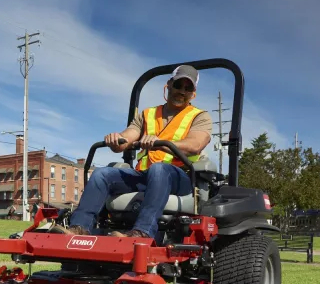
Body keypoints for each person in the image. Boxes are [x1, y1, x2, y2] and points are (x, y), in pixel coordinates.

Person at [61, 65, 213, 239]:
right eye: (178, 85)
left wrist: (161, 143)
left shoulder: (199, 116)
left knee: (160, 169)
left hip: (180, 178)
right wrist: (116, 140)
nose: (182, 91)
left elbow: (195, 144)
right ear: (169, 85)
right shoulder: (147, 114)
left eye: (188, 88)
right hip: (145, 176)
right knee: (102, 174)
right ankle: (79, 228)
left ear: (193, 93)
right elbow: (127, 138)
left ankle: (142, 232)